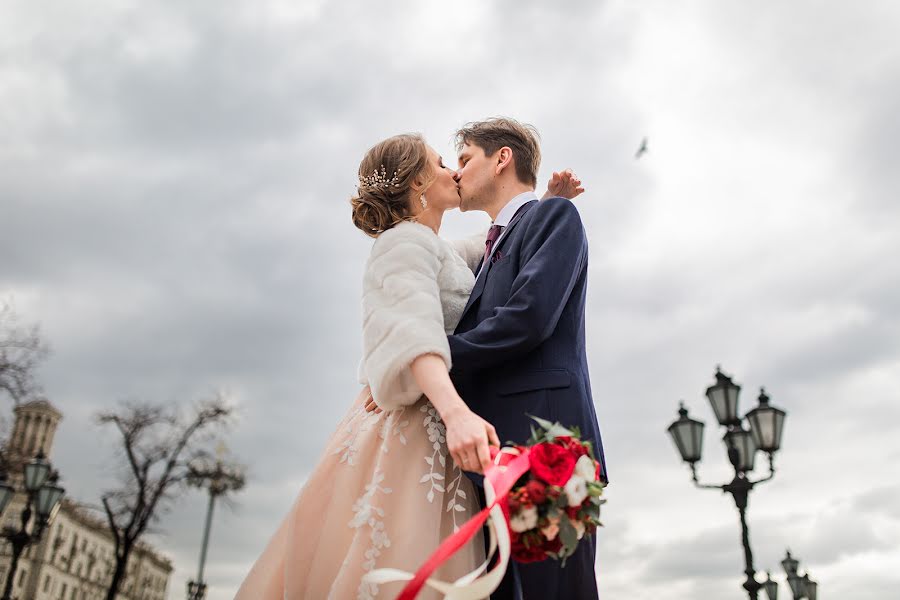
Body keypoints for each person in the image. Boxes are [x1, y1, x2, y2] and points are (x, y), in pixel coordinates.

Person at [234, 132, 583, 600]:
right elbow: (413, 332)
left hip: (446, 436)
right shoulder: (402, 244)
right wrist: (456, 412)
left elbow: (495, 242)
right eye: (443, 162)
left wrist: (544, 202)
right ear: (420, 181)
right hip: (418, 427)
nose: (453, 171)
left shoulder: (437, 248)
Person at [447, 117, 607, 600]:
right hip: (492, 451)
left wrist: (427, 358)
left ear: (502, 159)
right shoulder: (488, 248)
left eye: (464, 158)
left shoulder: (553, 217)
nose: (455, 174)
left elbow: (529, 317)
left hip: (545, 442)